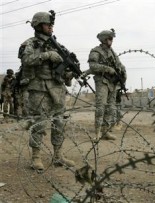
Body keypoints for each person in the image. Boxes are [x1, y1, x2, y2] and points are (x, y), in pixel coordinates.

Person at [18, 11, 75, 171]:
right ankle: (36, 157)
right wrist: (47, 55)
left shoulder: (58, 46)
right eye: (47, 24)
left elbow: (64, 70)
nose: (51, 27)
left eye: (52, 25)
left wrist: (69, 73)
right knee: (39, 124)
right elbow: (27, 60)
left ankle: (58, 156)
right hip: (39, 88)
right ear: (38, 25)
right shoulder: (31, 43)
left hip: (57, 89)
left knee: (59, 124)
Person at [87, 29, 127, 140]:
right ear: (104, 39)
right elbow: (93, 66)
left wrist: (123, 75)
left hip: (112, 83)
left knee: (110, 108)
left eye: (112, 38)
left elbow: (119, 65)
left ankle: (106, 131)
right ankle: (97, 132)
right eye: (110, 38)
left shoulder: (112, 52)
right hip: (102, 81)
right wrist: (107, 69)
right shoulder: (96, 51)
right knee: (101, 107)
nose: (112, 40)